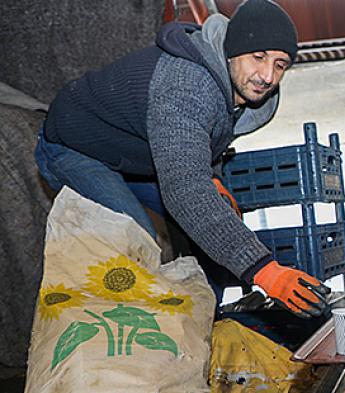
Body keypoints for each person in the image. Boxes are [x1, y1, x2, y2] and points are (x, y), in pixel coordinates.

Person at [33, 0, 329, 318]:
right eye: (258, 57)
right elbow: (185, 188)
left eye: (280, 65)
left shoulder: (242, 97)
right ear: (232, 49)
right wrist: (264, 271)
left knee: (215, 222)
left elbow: (203, 142)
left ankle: (202, 325)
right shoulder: (187, 85)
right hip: (75, 146)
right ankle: (130, 350)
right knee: (137, 240)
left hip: (134, 154)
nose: (267, 75)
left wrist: (213, 177)